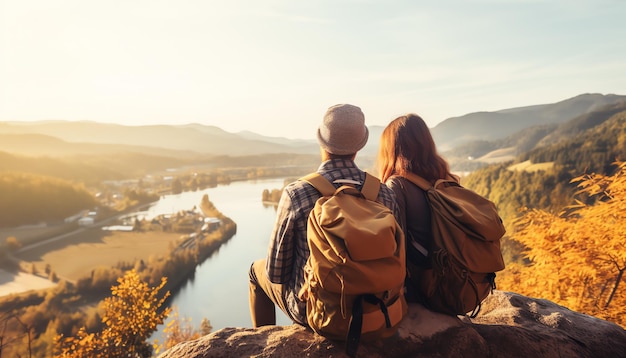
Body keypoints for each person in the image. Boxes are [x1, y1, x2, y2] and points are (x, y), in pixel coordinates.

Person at [249, 104, 400, 327]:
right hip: (375, 309)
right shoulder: (384, 194)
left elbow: (275, 273)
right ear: (358, 148)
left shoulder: (296, 194)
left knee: (255, 272)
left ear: (321, 142)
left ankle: (263, 342)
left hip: (316, 312)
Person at [376, 113, 458, 302]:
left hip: (423, 286)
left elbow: (397, 247)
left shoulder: (397, 185)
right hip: (453, 276)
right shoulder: (447, 178)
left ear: (392, 150)